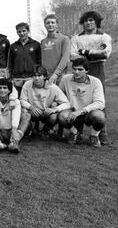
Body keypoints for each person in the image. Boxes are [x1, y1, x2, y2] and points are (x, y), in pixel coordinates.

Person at [70, 11, 112, 145]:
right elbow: (72, 55)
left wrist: (84, 52)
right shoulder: (76, 38)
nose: (88, 23)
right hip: (80, 69)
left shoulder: (104, 36)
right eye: (86, 21)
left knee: (100, 99)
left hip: (97, 68)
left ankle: (101, 133)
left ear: (96, 21)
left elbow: (105, 53)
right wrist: (93, 53)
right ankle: (78, 130)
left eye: (91, 20)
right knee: (77, 97)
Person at [58, 58, 106, 147]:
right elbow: (59, 95)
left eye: (80, 69)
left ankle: (94, 136)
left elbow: (100, 103)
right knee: (62, 116)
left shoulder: (95, 81)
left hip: (89, 112)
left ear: (87, 70)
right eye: (75, 69)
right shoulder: (66, 79)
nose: (76, 72)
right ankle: (74, 131)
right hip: (72, 111)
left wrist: (81, 111)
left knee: (99, 116)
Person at [19, 66, 70, 140]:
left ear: (44, 76)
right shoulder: (27, 84)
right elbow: (22, 100)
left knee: (53, 117)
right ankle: (30, 129)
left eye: (39, 76)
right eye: (34, 76)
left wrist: (55, 109)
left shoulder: (53, 87)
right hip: (33, 110)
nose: (36, 78)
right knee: (23, 111)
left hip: (46, 112)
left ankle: (45, 130)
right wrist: (31, 107)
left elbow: (67, 103)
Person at [0, 78, 23, 153]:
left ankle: (14, 142)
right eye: (0, 88)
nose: (2, 90)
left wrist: (14, 129)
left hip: (11, 130)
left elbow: (16, 115)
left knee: (26, 116)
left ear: (9, 90)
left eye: (5, 88)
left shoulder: (15, 101)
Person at [9, 22, 41, 95]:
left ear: (28, 31)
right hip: (17, 78)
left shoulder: (36, 44)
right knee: (18, 99)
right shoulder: (13, 46)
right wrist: (11, 76)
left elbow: (39, 61)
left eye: (24, 31)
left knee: (31, 99)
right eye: (19, 31)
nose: (22, 33)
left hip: (31, 77)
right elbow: (10, 63)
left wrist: (37, 74)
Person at [40, 14, 70, 85]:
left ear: (57, 24)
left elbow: (65, 59)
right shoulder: (43, 41)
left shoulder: (64, 39)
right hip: (46, 78)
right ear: (45, 25)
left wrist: (56, 74)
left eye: (52, 22)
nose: (50, 25)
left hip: (59, 77)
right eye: (48, 23)